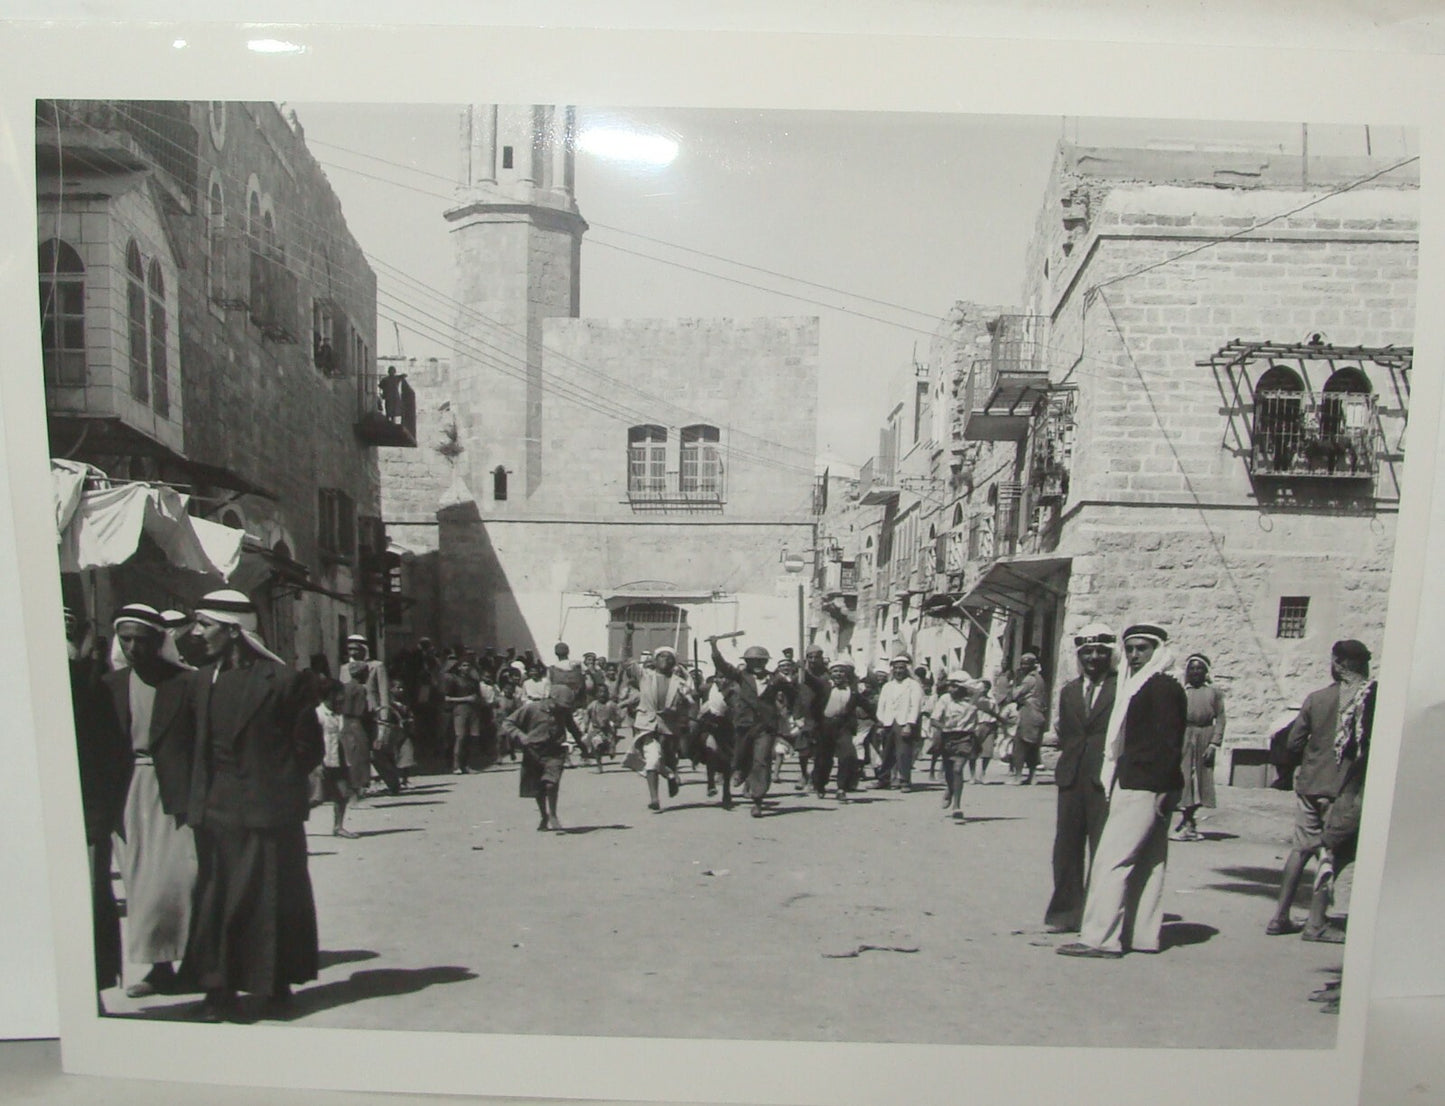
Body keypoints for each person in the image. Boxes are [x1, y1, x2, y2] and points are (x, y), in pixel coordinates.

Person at [181, 589, 322, 1021]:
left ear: (234, 632)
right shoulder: (203, 679)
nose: (196, 633)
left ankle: (275, 984)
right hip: (218, 812)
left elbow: (308, 749)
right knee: (217, 902)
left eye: (205, 625)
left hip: (268, 812)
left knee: (271, 898)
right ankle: (217, 990)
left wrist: (276, 788)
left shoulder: (282, 682)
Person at [1058, 623, 1186, 959]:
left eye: (1142, 648)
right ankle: (1141, 935)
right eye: (1130, 649)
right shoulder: (1139, 685)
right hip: (1143, 782)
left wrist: (1162, 789)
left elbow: (1170, 743)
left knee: (1111, 861)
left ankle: (1100, 938)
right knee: (1148, 862)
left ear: (1157, 650)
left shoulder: (1162, 687)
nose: (1135, 655)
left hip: (1144, 783)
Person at [102, 603, 198, 999]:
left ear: (159, 642)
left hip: (175, 789)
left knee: (182, 878)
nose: (133, 647)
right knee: (141, 882)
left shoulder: (185, 682)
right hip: (129, 793)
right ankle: (159, 965)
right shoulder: (111, 685)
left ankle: (194, 961)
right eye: (126, 640)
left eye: (142, 640)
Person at [1266, 640, 1376, 942]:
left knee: (1300, 850)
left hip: (1310, 784)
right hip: (1343, 788)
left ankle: (1280, 917)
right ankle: (1315, 923)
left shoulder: (1316, 699)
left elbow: (1292, 743)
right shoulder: (1369, 698)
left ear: (1337, 664)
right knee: (1331, 853)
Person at [66, 607, 132, 1010]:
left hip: (86, 811)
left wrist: (103, 814)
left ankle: (89, 994)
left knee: (86, 901)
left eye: (69, 626)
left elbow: (111, 753)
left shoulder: (92, 686)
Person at [1044, 624, 1119, 934]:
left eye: (1101, 651)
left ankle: (1099, 915)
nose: (1094, 657)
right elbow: (1067, 733)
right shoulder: (1070, 691)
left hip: (1105, 776)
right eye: (1087, 651)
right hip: (1072, 776)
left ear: (1110, 655)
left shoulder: (1120, 689)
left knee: (1103, 848)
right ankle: (1066, 913)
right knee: (1066, 849)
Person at [710, 638, 790, 818]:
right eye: (753, 661)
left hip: (766, 726)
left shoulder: (776, 678)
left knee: (761, 760)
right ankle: (741, 771)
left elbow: (793, 692)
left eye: (761, 661)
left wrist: (791, 712)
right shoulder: (741, 676)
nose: (758, 664)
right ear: (746, 662)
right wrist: (714, 646)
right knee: (740, 757)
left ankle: (757, 800)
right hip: (744, 725)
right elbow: (722, 665)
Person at [500, 686, 582, 832]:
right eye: (560, 706)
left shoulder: (563, 712)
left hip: (555, 751)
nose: (562, 709)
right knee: (538, 788)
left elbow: (573, 728)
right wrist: (520, 735)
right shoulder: (531, 709)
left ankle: (553, 815)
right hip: (533, 752)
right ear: (551, 699)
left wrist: (583, 746)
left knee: (551, 783)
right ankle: (544, 815)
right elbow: (507, 723)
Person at [631, 645, 693, 811]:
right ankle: (654, 798)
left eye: (669, 657)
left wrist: (679, 707)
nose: (665, 660)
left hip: (669, 726)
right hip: (647, 724)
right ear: (654, 660)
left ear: (674, 662)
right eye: (661, 656)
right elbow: (626, 662)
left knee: (665, 758)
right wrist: (628, 637)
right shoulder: (645, 676)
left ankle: (670, 775)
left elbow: (689, 704)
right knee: (652, 758)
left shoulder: (680, 683)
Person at [929, 672, 998, 820]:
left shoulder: (974, 701)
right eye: (949, 686)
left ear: (962, 687)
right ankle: (950, 788)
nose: (951, 689)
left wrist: (1004, 721)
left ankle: (957, 806)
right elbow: (934, 719)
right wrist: (944, 725)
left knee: (958, 769)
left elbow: (991, 712)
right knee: (949, 771)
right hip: (947, 737)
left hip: (966, 737)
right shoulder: (945, 699)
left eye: (954, 686)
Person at [340, 635, 400, 795]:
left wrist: (384, 714)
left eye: (356, 648)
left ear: (364, 649)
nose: (353, 651)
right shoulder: (345, 668)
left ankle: (393, 783)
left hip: (373, 713)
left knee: (378, 751)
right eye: (350, 648)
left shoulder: (376, 666)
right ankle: (362, 786)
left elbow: (383, 691)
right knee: (357, 751)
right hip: (354, 715)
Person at [1175, 654, 1226, 842]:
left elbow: (1220, 718)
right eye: (1192, 668)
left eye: (1199, 668)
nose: (1195, 672)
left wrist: (1214, 743)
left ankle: (1189, 822)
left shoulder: (1214, 692)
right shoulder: (1182, 691)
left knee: (1203, 779)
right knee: (1185, 777)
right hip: (1185, 735)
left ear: (1205, 672)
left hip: (1205, 734)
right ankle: (1188, 823)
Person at [812, 661, 873, 800]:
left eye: (841, 671)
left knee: (848, 756)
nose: (838, 674)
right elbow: (813, 705)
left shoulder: (852, 691)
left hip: (843, 726)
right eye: (835, 671)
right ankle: (820, 784)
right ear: (830, 674)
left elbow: (866, 705)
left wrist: (878, 719)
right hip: (825, 726)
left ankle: (841, 787)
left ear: (846, 675)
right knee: (823, 759)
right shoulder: (824, 688)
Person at [314, 676, 360, 839]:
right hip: (323, 761)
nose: (341, 698)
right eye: (337, 695)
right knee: (316, 799)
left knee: (343, 794)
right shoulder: (318, 715)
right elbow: (314, 741)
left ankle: (338, 826)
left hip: (339, 760)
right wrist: (316, 763)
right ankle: (292, 826)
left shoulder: (339, 715)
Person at [873, 654, 926, 791]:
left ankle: (905, 781)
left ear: (906, 669)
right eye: (896, 668)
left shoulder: (913, 685)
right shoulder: (888, 686)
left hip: (903, 722)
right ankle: (883, 779)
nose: (898, 671)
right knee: (886, 752)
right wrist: (881, 722)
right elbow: (882, 705)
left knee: (903, 753)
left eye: (901, 668)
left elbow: (916, 706)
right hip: (888, 722)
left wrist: (909, 724)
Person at [1001, 650, 1049, 785]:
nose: (1022, 666)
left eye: (1025, 664)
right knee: (1033, 746)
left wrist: (1014, 683)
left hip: (1028, 711)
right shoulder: (1040, 678)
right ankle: (1032, 776)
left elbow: (1015, 695)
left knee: (1020, 745)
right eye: (1022, 663)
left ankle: (1018, 776)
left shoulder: (1029, 679)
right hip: (1038, 712)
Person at [441, 648, 483, 774]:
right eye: (464, 665)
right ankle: (456, 765)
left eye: (468, 665)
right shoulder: (454, 680)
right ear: (459, 667)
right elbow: (447, 698)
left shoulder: (473, 681)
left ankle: (468, 764)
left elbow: (478, 695)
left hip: (473, 710)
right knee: (461, 737)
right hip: (460, 709)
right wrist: (466, 698)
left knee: (472, 737)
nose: (466, 668)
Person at [971, 679, 999, 783]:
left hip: (989, 725)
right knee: (973, 751)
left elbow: (996, 714)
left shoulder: (992, 701)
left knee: (987, 752)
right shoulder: (974, 701)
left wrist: (996, 729)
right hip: (977, 725)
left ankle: (982, 773)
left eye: (985, 687)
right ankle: (972, 775)